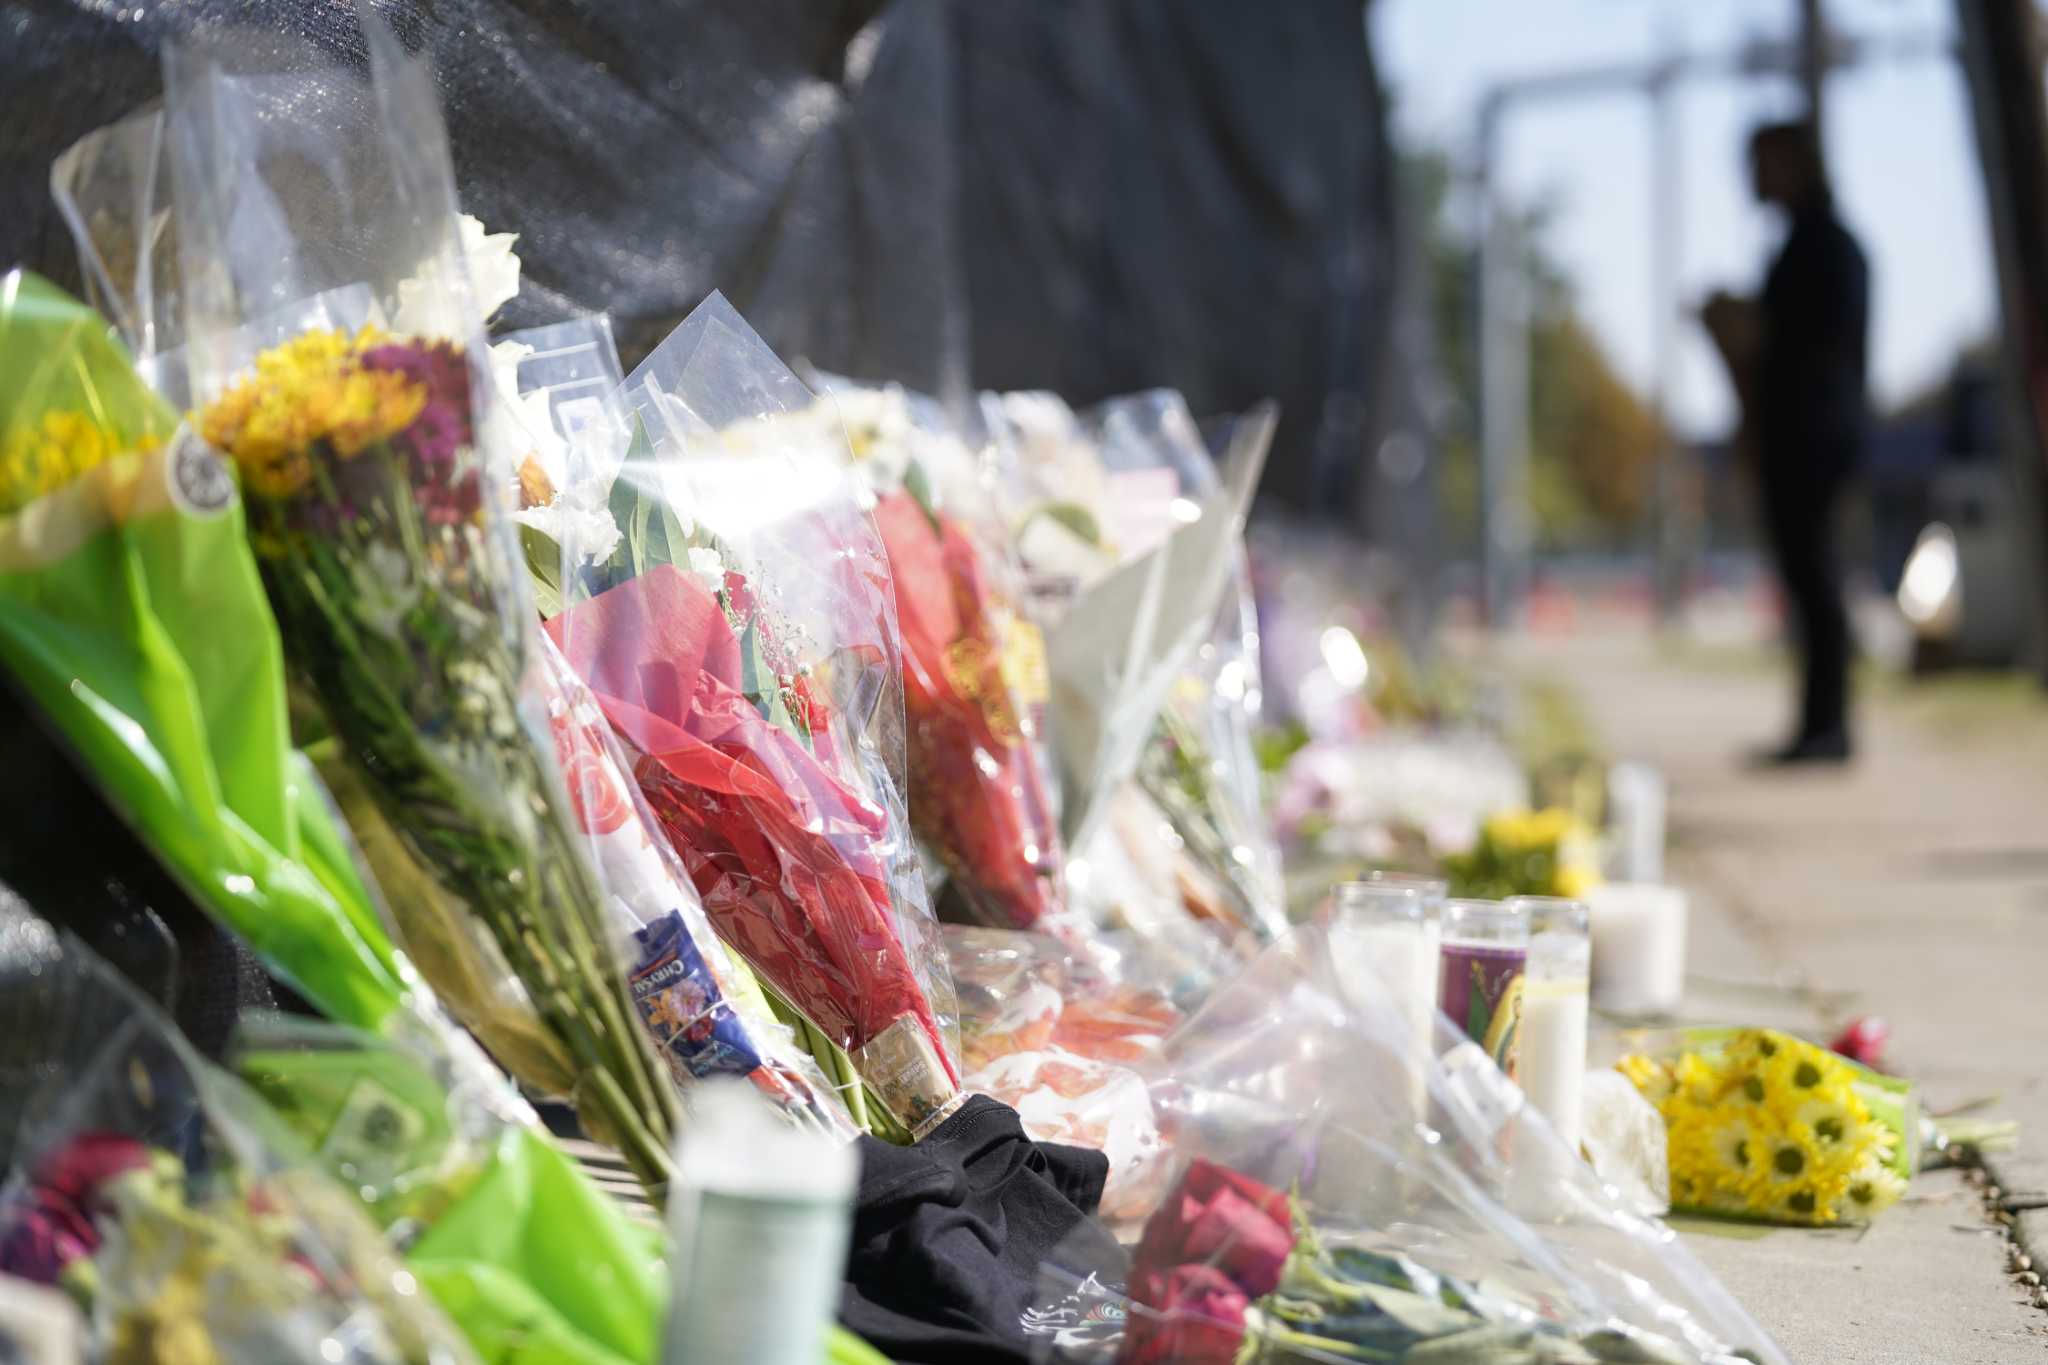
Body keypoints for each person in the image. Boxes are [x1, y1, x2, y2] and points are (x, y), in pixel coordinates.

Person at [1701, 120, 1870, 765]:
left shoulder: (1821, 248)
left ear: (1796, 165)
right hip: (1809, 433)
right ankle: (1818, 724)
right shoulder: (1807, 246)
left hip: (1811, 436)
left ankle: (1828, 728)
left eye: (1762, 163)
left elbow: (1800, 353)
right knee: (1808, 581)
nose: (1753, 179)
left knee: (1817, 579)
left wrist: (1741, 328)